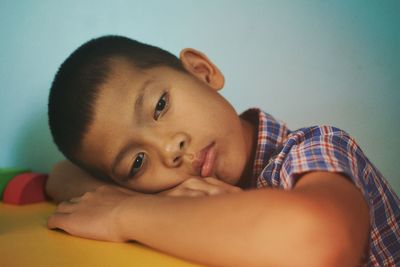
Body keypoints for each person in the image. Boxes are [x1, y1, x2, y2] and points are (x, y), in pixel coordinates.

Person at [46, 35, 399, 267]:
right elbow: (61, 175)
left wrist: (126, 213)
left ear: (202, 72)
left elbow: (319, 239)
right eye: (137, 162)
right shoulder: (179, 192)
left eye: (160, 106)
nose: (170, 150)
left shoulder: (315, 147)